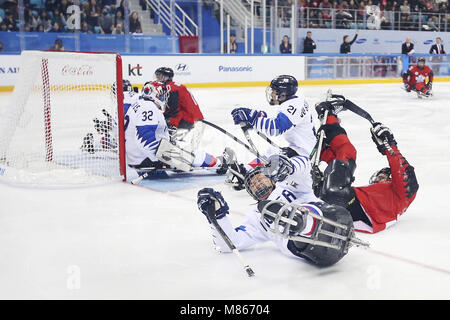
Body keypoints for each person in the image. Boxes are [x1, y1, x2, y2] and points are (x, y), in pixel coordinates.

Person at [196, 152, 362, 267]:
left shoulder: (291, 185)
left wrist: (289, 166)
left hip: (336, 218)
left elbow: (304, 164)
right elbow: (230, 244)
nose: (257, 184)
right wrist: (217, 216)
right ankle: (297, 226)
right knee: (271, 214)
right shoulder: (256, 218)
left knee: (294, 211)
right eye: (252, 185)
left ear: (271, 177)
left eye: (259, 179)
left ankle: (300, 220)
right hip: (316, 253)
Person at [312, 97, 419, 233]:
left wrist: (390, 146)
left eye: (382, 176)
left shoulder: (402, 197)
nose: (379, 179)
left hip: (346, 203)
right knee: (337, 158)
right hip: (342, 206)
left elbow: (404, 174)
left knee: (348, 152)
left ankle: (328, 117)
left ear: (391, 178)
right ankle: (321, 145)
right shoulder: (385, 199)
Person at [231, 75, 316, 159]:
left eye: (274, 91)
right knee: (271, 153)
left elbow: (275, 129)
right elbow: (281, 121)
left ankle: (249, 169)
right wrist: (257, 121)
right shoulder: (295, 102)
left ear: (283, 94)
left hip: (305, 155)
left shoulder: (293, 106)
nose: (271, 94)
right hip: (300, 148)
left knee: (273, 159)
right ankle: (247, 168)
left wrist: (253, 118)